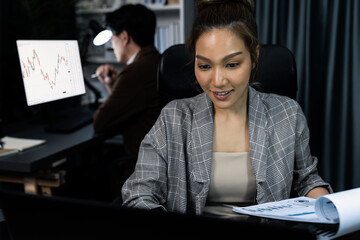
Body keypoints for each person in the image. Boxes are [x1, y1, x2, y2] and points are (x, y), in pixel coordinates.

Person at [121, 0, 331, 216]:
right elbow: (139, 195)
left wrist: (332, 210)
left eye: (232, 64)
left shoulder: (287, 114)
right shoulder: (173, 118)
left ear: (254, 56)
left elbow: (306, 181)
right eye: (204, 66)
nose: (218, 81)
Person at [93, 4, 161, 157]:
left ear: (124, 37)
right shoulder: (156, 61)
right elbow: (128, 108)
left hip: (140, 169)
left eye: (112, 37)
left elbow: (101, 123)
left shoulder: (135, 72)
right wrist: (112, 85)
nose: (111, 44)